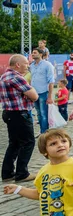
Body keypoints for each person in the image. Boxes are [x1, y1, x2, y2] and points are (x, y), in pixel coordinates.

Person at [1, 54, 38, 182]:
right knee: (28, 142)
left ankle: (7, 173)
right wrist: (30, 87)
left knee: (14, 143)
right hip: (20, 113)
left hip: (9, 113)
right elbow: (34, 96)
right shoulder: (17, 77)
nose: (28, 66)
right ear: (18, 65)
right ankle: (22, 173)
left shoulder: (4, 76)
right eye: (26, 63)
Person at [30, 48, 55, 134]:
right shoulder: (31, 65)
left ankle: (45, 133)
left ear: (41, 54)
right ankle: (42, 131)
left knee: (44, 114)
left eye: (34, 53)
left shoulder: (47, 65)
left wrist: (50, 96)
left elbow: (51, 81)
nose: (32, 54)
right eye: (32, 53)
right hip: (34, 93)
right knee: (39, 114)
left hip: (44, 92)